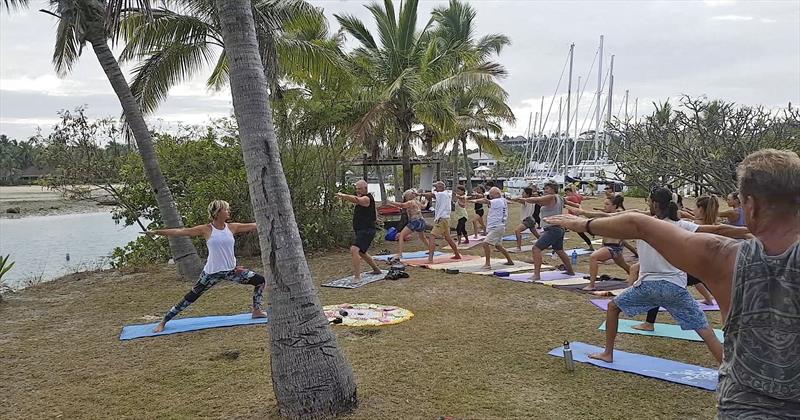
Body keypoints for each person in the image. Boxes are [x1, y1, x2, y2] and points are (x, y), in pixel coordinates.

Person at [546, 149, 800, 417]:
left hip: (745, 406)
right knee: (704, 331)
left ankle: (611, 349)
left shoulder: (722, 256)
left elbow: (638, 225)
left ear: (750, 204)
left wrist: (583, 224)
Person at [546, 186, 751, 365]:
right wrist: (749, 230)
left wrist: (581, 218)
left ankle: (608, 353)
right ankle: (728, 370)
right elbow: (718, 229)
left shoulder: (645, 226)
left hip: (649, 287)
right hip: (675, 289)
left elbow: (610, 219)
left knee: (613, 307)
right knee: (705, 330)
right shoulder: (682, 226)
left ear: (653, 203)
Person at [145, 200, 266, 333]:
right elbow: (180, 232)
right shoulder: (206, 229)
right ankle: (164, 321)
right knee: (191, 297)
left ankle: (256, 311)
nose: (228, 211)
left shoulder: (232, 227)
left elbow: (256, 225)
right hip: (211, 273)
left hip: (232, 271)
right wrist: (157, 232)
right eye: (226, 209)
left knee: (260, 281)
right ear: (217, 212)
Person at [633, 194, 725, 331]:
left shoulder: (695, 226)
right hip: (704, 268)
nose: (693, 209)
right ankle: (723, 319)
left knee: (658, 281)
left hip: (690, 269)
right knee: (719, 296)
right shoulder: (710, 225)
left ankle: (649, 323)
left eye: (695, 206)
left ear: (701, 209)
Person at [567, 194, 631, 291]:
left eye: (607, 204)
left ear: (614, 206)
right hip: (609, 245)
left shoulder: (619, 214)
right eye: (604, 204)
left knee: (593, 257)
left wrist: (583, 212)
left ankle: (591, 285)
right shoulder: (608, 215)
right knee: (625, 266)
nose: (605, 206)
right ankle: (637, 276)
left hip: (614, 247)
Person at [515, 180, 575, 280]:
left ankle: (536, 275)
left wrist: (521, 198)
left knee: (536, 249)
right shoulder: (559, 197)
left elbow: (536, 199)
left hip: (553, 229)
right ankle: (570, 271)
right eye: (545, 188)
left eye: (547, 188)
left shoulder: (551, 196)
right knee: (559, 251)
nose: (545, 190)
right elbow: (568, 203)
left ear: (553, 189)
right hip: (559, 228)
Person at [336, 180, 383, 280]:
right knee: (361, 252)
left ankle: (357, 277)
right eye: (356, 189)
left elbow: (357, 200)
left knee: (354, 249)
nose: (357, 190)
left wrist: (343, 196)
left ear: (366, 188)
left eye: (360, 189)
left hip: (367, 230)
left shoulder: (367, 198)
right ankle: (376, 270)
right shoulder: (365, 199)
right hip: (361, 230)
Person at [470, 187, 515, 269]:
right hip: (499, 226)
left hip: (496, 227)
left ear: (497, 194)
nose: (490, 195)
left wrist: (475, 200)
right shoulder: (502, 200)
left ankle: (488, 264)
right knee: (498, 246)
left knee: (485, 243)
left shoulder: (497, 201)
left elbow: (486, 201)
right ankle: (510, 261)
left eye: (491, 194)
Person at [421, 181, 462, 263]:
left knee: (432, 236)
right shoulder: (445, 194)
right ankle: (457, 254)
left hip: (442, 219)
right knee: (448, 238)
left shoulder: (442, 194)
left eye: (436, 187)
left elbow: (431, 195)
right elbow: (433, 196)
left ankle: (430, 259)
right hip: (445, 219)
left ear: (441, 187)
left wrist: (419, 194)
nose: (435, 189)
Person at [386, 189, 430, 258]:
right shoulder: (417, 202)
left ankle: (399, 254)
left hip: (415, 221)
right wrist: (426, 202)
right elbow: (424, 207)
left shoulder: (410, 202)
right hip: (421, 221)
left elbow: (401, 205)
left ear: (408, 196)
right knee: (422, 237)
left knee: (401, 235)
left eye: (405, 196)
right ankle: (431, 249)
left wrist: (391, 202)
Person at [509, 187, 541, 251]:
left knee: (517, 230)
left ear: (527, 194)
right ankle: (546, 243)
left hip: (528, 219)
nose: (522, 194)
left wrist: (510, 198)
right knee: (536, 234)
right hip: (531, 219)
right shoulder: (532, 200)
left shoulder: (526, 200)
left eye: (523, 193)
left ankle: (518, 247)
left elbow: (517, 200)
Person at [565, 186, 595, 250]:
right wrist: (593, 197)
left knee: (580, 232)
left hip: (571, 217)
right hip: (575, 217)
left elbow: (563, 199)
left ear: (569, 191)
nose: (566, 194)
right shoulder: (578, 196)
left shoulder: (571, 197)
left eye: (567, 192)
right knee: (581, 232)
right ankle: (591, 235)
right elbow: (585, 198)